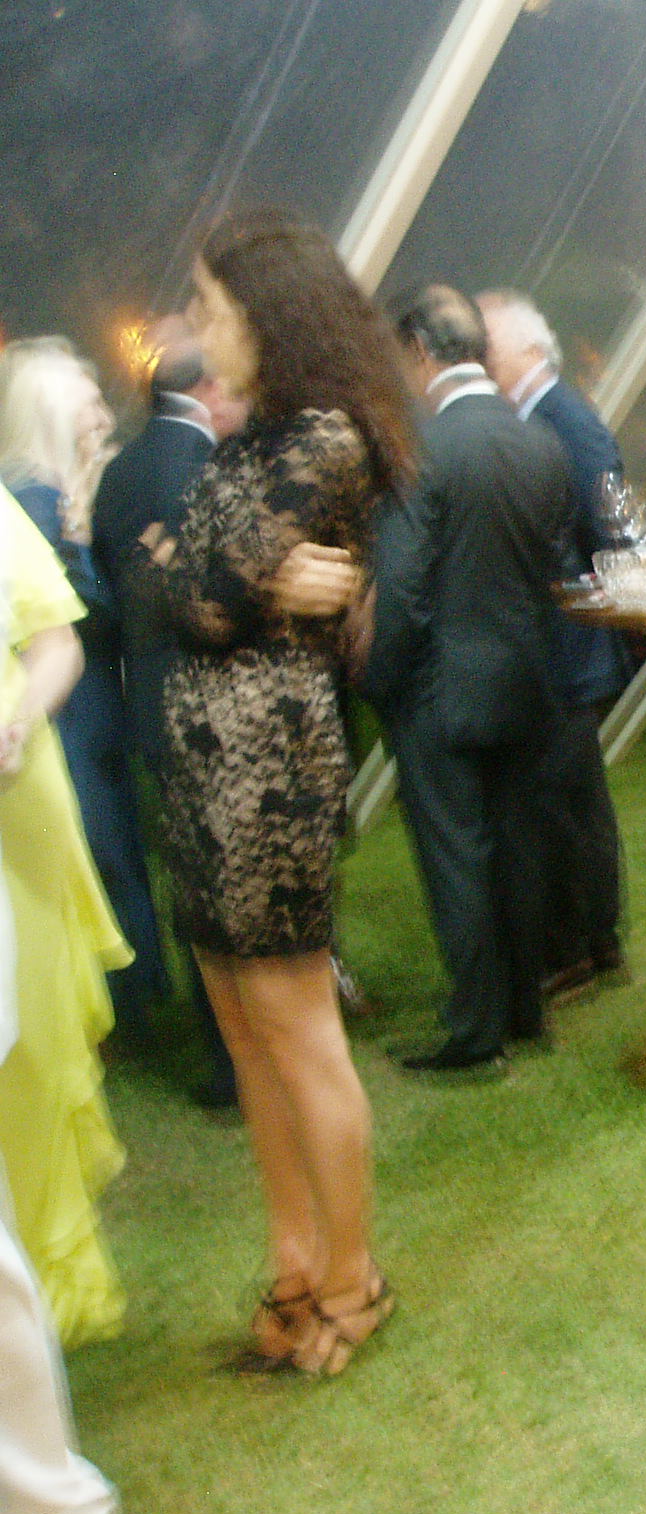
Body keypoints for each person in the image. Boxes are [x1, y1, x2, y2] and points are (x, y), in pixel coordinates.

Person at [156, 207, 409, 1376]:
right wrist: (209, 573)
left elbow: (204, 601)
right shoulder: (249, 440)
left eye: (209, 305)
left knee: (297, 1030)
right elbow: (169, 579)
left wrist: (205, 574)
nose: (194, 326)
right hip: (203, 773)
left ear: (269, 313)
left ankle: (354, 1279)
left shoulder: (323, 438)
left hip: (268, 778)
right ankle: (294, 1261)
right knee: (244, 1032)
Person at [368, 286, 569, 1074]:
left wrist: (379, 680)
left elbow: (404, 587)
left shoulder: (423, 448)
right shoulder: (539, 442)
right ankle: (525, 1008)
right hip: (524, 679)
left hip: (441, 690)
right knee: (517, 851)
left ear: (419, 350)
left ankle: (475, 1031)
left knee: (457, 858)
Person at [91, 319, 248, 1107]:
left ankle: (223, 1051)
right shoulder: (208, 466)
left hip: (151, 700)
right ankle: (247, 1057)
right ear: (207, 390)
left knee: (194, 880)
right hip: (217, 696)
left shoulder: (118, 473)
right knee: (239, 881)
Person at [0, 556, 121, 1514]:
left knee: (35, 1072)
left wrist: (15, 717)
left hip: (16, 804)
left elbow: (58, 640)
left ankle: (45, 1500)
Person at [0, 339, 164, 1051]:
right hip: (66, 705)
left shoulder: (55, 492)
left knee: (113, 847)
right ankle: (116, 1007)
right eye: (87, 402)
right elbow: (67, 614)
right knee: (97, 851)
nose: (102, 415)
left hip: (89, 701)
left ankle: (130, 1000)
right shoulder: (35, 500)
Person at [476, 290, 629, 1001]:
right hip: (560, 644)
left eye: (488, 345)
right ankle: (592, 940)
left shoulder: (564, 417)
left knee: (564, 804)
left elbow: (606, 522)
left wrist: (611, 604)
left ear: (530, 350)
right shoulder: (542, 415)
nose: (479, 357)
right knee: (570, 799)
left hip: (569, 643)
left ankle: (577, 945)